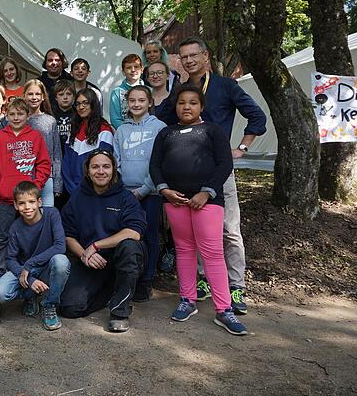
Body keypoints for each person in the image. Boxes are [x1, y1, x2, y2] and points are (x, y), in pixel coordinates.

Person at [178, 36, 267, 314]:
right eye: (184, 57)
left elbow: (258, 118)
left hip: (220, 167)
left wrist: (241, 147)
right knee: (199, 229)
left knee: (229, 229)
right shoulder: (181, 91)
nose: (189, 61)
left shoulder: (226, 85)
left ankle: (236, 285)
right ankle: (204, 280)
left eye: (194, 55)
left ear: (206, 56)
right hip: (190, 169)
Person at [149, 85, 248, 336]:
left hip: (208, 201)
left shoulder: (212, 131)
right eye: (182, 103)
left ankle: (224, 309)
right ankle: (187, 299)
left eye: (193, 102)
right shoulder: (166, 133)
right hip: (175, 201)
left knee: (213, 252)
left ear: (201, 106)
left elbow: (225, 164)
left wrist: (207, 192)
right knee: (184, 250)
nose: (186, 107)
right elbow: (155, 165)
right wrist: (164, 190)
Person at [59, 150, 147, 333]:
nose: (101, 171)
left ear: (114, 169)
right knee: (69, 308)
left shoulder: (125, 197)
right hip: (91, 261)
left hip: (120, 257)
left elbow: (134, 232)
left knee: (130, 246)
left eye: (106, 166)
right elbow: (68, 235)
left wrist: (95, 246)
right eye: (95, 167)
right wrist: (84, 254)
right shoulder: (77, 197)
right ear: (88, 171)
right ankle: (110, 291)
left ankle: (119, 311)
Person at [0, 181, 70, 331]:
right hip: (27, 272)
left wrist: (30, 264)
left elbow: (60, 246)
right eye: (22, 203)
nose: (27, 207)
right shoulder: (15, 227)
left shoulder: (52, 214)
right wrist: (30, 278)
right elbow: (10, 259)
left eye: (32, 202)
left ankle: (49, 304)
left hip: (46, 266)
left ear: (39, 202)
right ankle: (30, 296)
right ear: (15, 205)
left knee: (61, 261)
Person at [0, 97, 51, 273]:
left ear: (27, 115)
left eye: (20, 114)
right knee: (3, 237)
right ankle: (1, 274)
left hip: (28, 200)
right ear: (5, 115)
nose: (16, 117)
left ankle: (29, 272)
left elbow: (44, 164)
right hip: (5, 198)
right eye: (12, 114)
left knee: (30, 236)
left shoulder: (35, 136)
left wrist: (35, 187)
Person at [113, 85, 166, 302]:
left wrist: (143, 190)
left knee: (149, 235)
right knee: (125, 234)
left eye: (141, 100)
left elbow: (159, 162)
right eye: (132, 100)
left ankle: (146, 279)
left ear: (150, 102)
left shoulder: (159, 127)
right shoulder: (122, 130)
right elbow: (115, 160)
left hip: (150, 192)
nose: (136, 104)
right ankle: (126, 277)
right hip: (124, 193)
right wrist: (121, 189)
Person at [61, 89, 114, 195]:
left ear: (93, 104)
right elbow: (66, 163)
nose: (81, 107)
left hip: (94, 191)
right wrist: (72, 188)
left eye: (85, 103)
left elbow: (103, 166)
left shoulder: (104, 130)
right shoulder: (74, 129)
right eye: (78, 104)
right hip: (72, 191)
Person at [24, 79, 63, 207]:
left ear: (43, 97)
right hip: (24, 175)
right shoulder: (18, 120)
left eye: (37, 94)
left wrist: (57, 183)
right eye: (30, 94)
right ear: (24, 95)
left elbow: (56, 153)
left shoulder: (49, 121)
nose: (34, 97)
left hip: (47, 177)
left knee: (46, 215)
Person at [109, 54, 145, 129]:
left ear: (142, 69)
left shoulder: (149, 91)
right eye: (128, 68)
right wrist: (130, 130)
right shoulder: (116, 93)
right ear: (123, 72)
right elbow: (115, 119)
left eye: (136, 67)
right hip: (125, 134)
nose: (133, 70)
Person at [53, 79, 75, 153]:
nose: (65, 97)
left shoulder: (78, 115)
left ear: (73, 96)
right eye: (61, 94)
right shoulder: (51, 116)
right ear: (56, 97)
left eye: (68, 94)